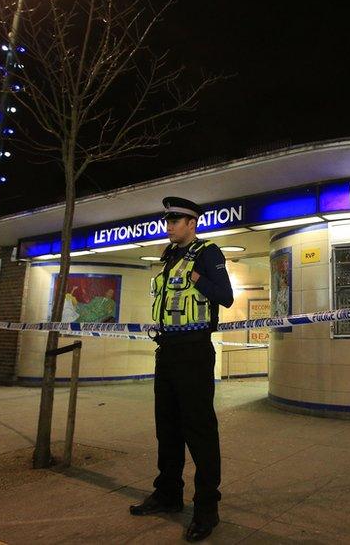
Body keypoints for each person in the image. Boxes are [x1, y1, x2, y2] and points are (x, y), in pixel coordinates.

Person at [129, 197, 234, 543]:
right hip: (167, 351)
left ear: (192, 223)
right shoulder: (168, 255)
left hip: (194, 351)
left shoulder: (208, 252)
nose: (169, 225)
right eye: (167, 220)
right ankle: (168, 494)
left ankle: (207, 509)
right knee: (168, 427)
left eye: (176, 220)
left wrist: (198, 277)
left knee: (199, 430)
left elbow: (226, 296)